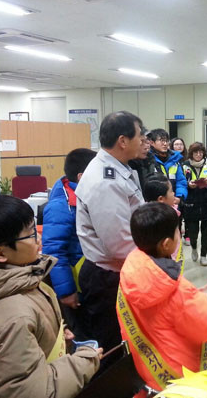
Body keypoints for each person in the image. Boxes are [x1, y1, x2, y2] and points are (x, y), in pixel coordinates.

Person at [0, 195, 101, 397]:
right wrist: (84, 360)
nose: (38, 238)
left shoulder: (20, 277)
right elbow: (31, 392)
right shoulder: (14, 317)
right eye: (30, 234)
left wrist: (52, 337)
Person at [117, 202, 207, 392]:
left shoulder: (132, 268)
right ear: (166, 244)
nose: (180, 234)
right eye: (177, 231)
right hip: (181, 379)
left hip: (148, 373)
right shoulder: (176, 291)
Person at [75, 111, 145, 354]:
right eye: (140, 135)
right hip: (107, 277)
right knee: (112, 346)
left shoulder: (117, 168)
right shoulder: (106, 180)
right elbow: (119, 242)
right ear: (123, 141)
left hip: (118, 270)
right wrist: (154, 265)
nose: (143, 141)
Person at [42, 148, 97, 341]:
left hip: (91, 280)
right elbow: (54, 251)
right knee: (84, 336)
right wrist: (66, 291)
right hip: (76, 286)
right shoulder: (61, 206)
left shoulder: (87, 196)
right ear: (82, 177)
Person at [182, 142, 207, 266]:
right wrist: (188, 184)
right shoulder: (185, 165)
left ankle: (204, 255)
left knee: (206, 231)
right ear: (191, 154)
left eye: (201, 152)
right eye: (196, 152)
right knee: (193, 232)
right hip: (191, 203)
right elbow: (181, 181)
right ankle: (194, 248)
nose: (198, 154)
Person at [148, 129, 188, 205]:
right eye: (161, 141)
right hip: (155, 203)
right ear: (152, 143)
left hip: (173, 202)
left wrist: (179, 197)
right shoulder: (148, 160)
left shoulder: (174, 159)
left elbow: (181, 181)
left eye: (166, 141)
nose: (165, 144)